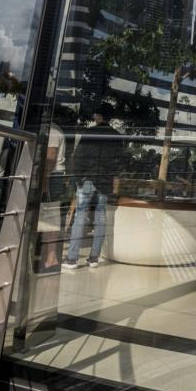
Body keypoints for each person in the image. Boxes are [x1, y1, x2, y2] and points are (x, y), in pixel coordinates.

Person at [63, 107, 121, 270]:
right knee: (101, 217)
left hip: (87, 180)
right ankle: (94, 258)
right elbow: (120, 160)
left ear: (99, 116)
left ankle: (72, 259)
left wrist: (78, 178)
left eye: (96, 114)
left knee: (81, 215)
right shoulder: (117, 136)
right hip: (104, 182)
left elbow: (78, 156)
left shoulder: (90, 133)